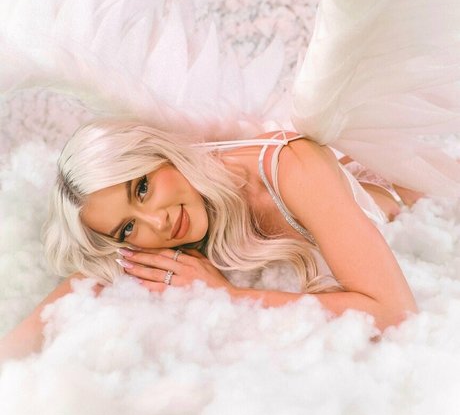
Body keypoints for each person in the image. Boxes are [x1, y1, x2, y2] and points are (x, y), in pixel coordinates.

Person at [1, 116, 423, 363]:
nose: (158, 222)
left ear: (161, 155)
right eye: (127, 228)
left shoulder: (290, 168)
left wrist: (230, 296)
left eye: (142, 188)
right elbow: (85, 282)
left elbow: (396, 313)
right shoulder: (164, 230)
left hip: (419, 197)